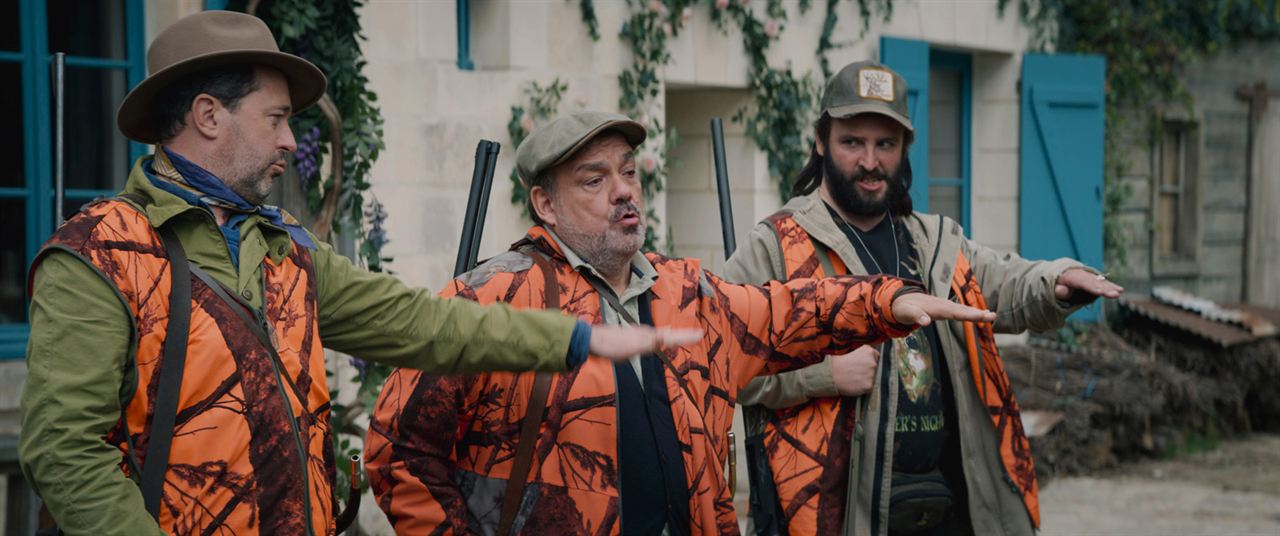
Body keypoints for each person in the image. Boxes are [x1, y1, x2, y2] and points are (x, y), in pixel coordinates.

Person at [18, 12, 694, 536]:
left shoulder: (287, 250)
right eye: (277, 118)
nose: (290, 140)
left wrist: (575, 340)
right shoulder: (98, 255)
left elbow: (422, 324)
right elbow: (64, 451)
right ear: (208, 115)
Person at [363, 111, 997, 535]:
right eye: (595, 178)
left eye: (630, 173)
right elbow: (397, 451)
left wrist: (886, 302)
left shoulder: (687, 291)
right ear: (545, 204)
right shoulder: (490, 299)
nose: (624, 191)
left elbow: (785, 311)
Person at [722, 60, 1124, 536]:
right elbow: (724, 358)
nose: (870, 162)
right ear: (821, 142)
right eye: (852, 142)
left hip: (950, 510)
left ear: (904, 149)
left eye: (885, 144)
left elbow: (1005, 283)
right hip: (838, 518)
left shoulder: (934, 243)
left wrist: (1056, 280)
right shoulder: (777, 246)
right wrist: (822, 375)